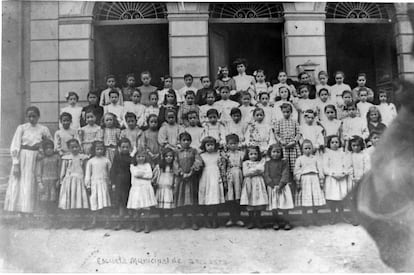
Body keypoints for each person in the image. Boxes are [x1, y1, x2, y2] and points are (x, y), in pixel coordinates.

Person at [4, 106, 52, 223]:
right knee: (23, 184)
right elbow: (15, 145)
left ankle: (32, 213)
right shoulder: (22, 128)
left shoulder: (43, 129)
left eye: (34, 116)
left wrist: (42, 150)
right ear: (27, 117)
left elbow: (50, 142)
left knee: (34, 183)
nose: (32, 119)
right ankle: (22, 214)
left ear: (38, 117)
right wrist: (16, 163)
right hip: (23, 158)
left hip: (37, 158)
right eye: (29, 116)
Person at [58, 139, 90, 229]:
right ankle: (71, 222)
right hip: (69, 181)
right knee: (70, 202)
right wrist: (62, 180)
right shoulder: (66, 158)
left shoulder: (83, 158)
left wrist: (86, 182)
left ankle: (82, 222)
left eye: (76, 147)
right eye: (72, 147)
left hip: (80, 180)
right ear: (69, 148)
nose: (75, 149)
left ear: (79, 147)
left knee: (80, 202)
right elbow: (63, 170)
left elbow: (85, 170)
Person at [174, 132, 203, 230]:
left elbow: (198, 161)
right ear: (180, 141)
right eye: (183, 140)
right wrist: (181, 173)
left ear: (190, 141)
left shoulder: (194, 151)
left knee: (192, 202)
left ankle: (194, 222)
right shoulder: (177, 152)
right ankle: (184, 221)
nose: (186, 142)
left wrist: (191, 172)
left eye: (188, 140)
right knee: (182, 201)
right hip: (182, 180)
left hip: (191, 179)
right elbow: (175, 163)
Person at [294, 140, 326, 226]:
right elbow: (296, 171)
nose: (308, 150)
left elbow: (320, 169)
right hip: (305, 180)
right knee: (305, 201)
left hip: (314, 179)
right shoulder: (299, 159)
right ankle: (305, 219)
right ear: (302, 149)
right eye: (305, 148)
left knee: (315, 200)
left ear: (312, 149)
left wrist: (321, 180)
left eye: (309, 148)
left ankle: (316, 218)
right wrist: (298, 181)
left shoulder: (316, 158)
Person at [323, 135, 352, 224]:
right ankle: (333, 215)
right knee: (332, 198)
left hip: (342, 178)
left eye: (336, 142)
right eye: (332, 142)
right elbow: (325, 167)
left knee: (341, 197)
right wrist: (333, 174)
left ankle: (341, 214)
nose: (335, 144)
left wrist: (343, 173)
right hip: (332, 179)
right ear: (329, 144)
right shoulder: (326, 154)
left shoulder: (343, 154)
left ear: (339, 143)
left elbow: (347, 165)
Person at [198, 136, 226, 228]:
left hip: (215, 177)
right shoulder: (201, 155)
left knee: (214, 197)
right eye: (208, 145)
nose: (210, 147)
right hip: (205, 177)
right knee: (206, 198)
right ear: (204, 146)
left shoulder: (218, 155)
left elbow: (222, 167)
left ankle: (214, 218)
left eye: (212, 145)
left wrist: (222, 178)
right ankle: (206, 219)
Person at [265, 143, 294, 230]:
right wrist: (273, 185)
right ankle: (275, 222)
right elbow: (266, 175)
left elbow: (285, 174)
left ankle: (286, 222)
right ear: (270, 153)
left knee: (284, 205)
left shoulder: (284, 162)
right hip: (272, 187)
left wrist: (280, 185)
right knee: (274, 206)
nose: (276, 154)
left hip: (282, 187)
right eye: (273, 152)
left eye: (278, 152)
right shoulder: (268, 163)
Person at [84, 141, 112, 230]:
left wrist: (110, 183)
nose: (99, 151)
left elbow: (110, 173)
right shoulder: (91, 161)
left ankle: (107, 221)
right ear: (94, 150)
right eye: (97, 149)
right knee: (94, 202)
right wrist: (88, 186)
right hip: (94, 184)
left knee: (105, 203)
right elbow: (88, 174)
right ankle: (93, 221)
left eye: (101, 149)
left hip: (104, 184)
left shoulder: (106, 160)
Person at [127, 149, 157, 233]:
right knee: (137, 209)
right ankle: (138, 225)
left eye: (143, 156)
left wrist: (141, 174)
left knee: (146, 208)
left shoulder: (147, 165)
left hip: (146, 188)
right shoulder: (133, 166)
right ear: (135, 157)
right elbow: (135, 174)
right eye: (138, 156)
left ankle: (146, 225)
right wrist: (144, 174)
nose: (141, 158)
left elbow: (150, 175)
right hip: (136, 189)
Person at [240, 145, 268, 229]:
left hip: (259, 182)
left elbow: (262, 171)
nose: (253, 156)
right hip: (249, 183)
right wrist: (256, 170)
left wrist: (252, 171)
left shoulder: (261, 161)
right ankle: (251, 220)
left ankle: (258, 220)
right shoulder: (245, 163)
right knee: (250, 200)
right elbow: (245, 173)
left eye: (255, 154)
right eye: (251, 154)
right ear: (247, 155)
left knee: (258, 199)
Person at [35, 139, 60, 229]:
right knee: (45, 204)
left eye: (51, 148)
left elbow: (59, 170)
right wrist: (40, 183)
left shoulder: (57, 158)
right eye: (47, 148)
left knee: (53, 203)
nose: (49, 150)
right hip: (45, 183)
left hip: (54, 183)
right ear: (44, 149)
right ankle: (47, 222)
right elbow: (38, 172)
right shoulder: (42, 159)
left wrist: (58, 181)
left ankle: (55, 222)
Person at [222, 134, 245, 227]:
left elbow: (244, 166)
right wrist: (224, 178)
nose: (233, 145)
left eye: (235, 143)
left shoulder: (241, 154)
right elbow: (223, 167)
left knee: (238, 197)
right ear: (227, 144)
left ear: (238, 144)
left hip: (239, 174)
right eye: (230, 144)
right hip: (229, 175)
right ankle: (231, 218)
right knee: (230, 197)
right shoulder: (225, 155)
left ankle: (238, 218)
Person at [110, 138, 132, 231]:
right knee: (121, 204)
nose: (125, 149)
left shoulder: (131, 158)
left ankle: (131, 223)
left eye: (127, 147)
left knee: (129, 203)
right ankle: (120, 222)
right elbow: (113, 170)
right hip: (119, 182)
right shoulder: (117, 157)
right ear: (119, 148)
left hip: (129, 182)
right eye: (123, 147)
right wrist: (113, 183)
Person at [274, 103, 302, 177]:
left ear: (291, 112)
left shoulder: (295, 122)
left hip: (293, 146)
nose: (286, 114)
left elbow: (298, 133)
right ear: (282, 112)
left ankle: (295, 179)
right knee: (284, 164)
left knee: (294, 165)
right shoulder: (279, 122)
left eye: (288, 112)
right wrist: (280, 141)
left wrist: (294, 141)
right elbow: (276, 133)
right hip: (284, 146)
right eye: (284, 112)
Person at [347, 135, 370, 226]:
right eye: (354, 145)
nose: (356, 147)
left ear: (361, 145)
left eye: (358, 145)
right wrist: (353, 178)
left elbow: (367, 168)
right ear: (351, 146)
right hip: (353, 181)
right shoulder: (350, 156)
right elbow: (350, 167)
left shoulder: (364, 155)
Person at [152, 147, 176, 229]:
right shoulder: (159, 167)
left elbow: (175, 177)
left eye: (171, 156)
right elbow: (154, 176)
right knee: (161, 208)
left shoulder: (174, 167)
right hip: (161, 188)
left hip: (169, 188)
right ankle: (161, 222)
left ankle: (169, 222)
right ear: (163, 157)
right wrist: (155, 182)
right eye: (167, 156)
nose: (169, 158)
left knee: (169, 208)